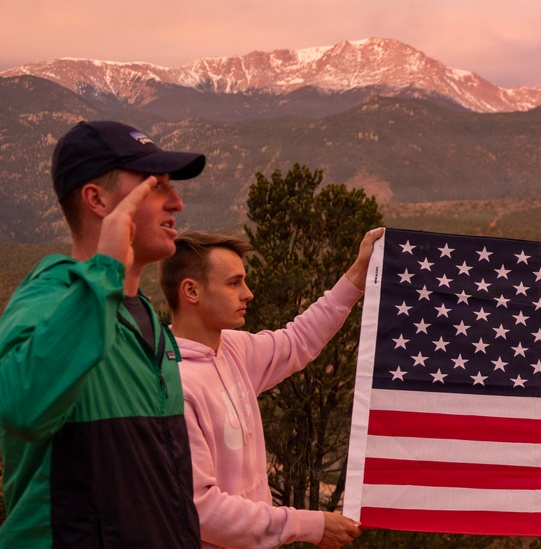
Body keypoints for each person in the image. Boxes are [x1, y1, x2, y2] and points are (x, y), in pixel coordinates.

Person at [0, 120, 206, 547]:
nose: (177, 203)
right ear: (96, 199)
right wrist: (107, 269)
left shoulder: (148, 319)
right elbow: (19, 406)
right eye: (156, 186)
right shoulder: (49, 299)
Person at [158, 229, 382, 548]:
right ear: (191, 291)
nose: (247, 293)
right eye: (234, 283)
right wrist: (308, 524)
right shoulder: (173, 386)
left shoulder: (234, 349)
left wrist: (358, 275)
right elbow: (201, 510)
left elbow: (299, 340)